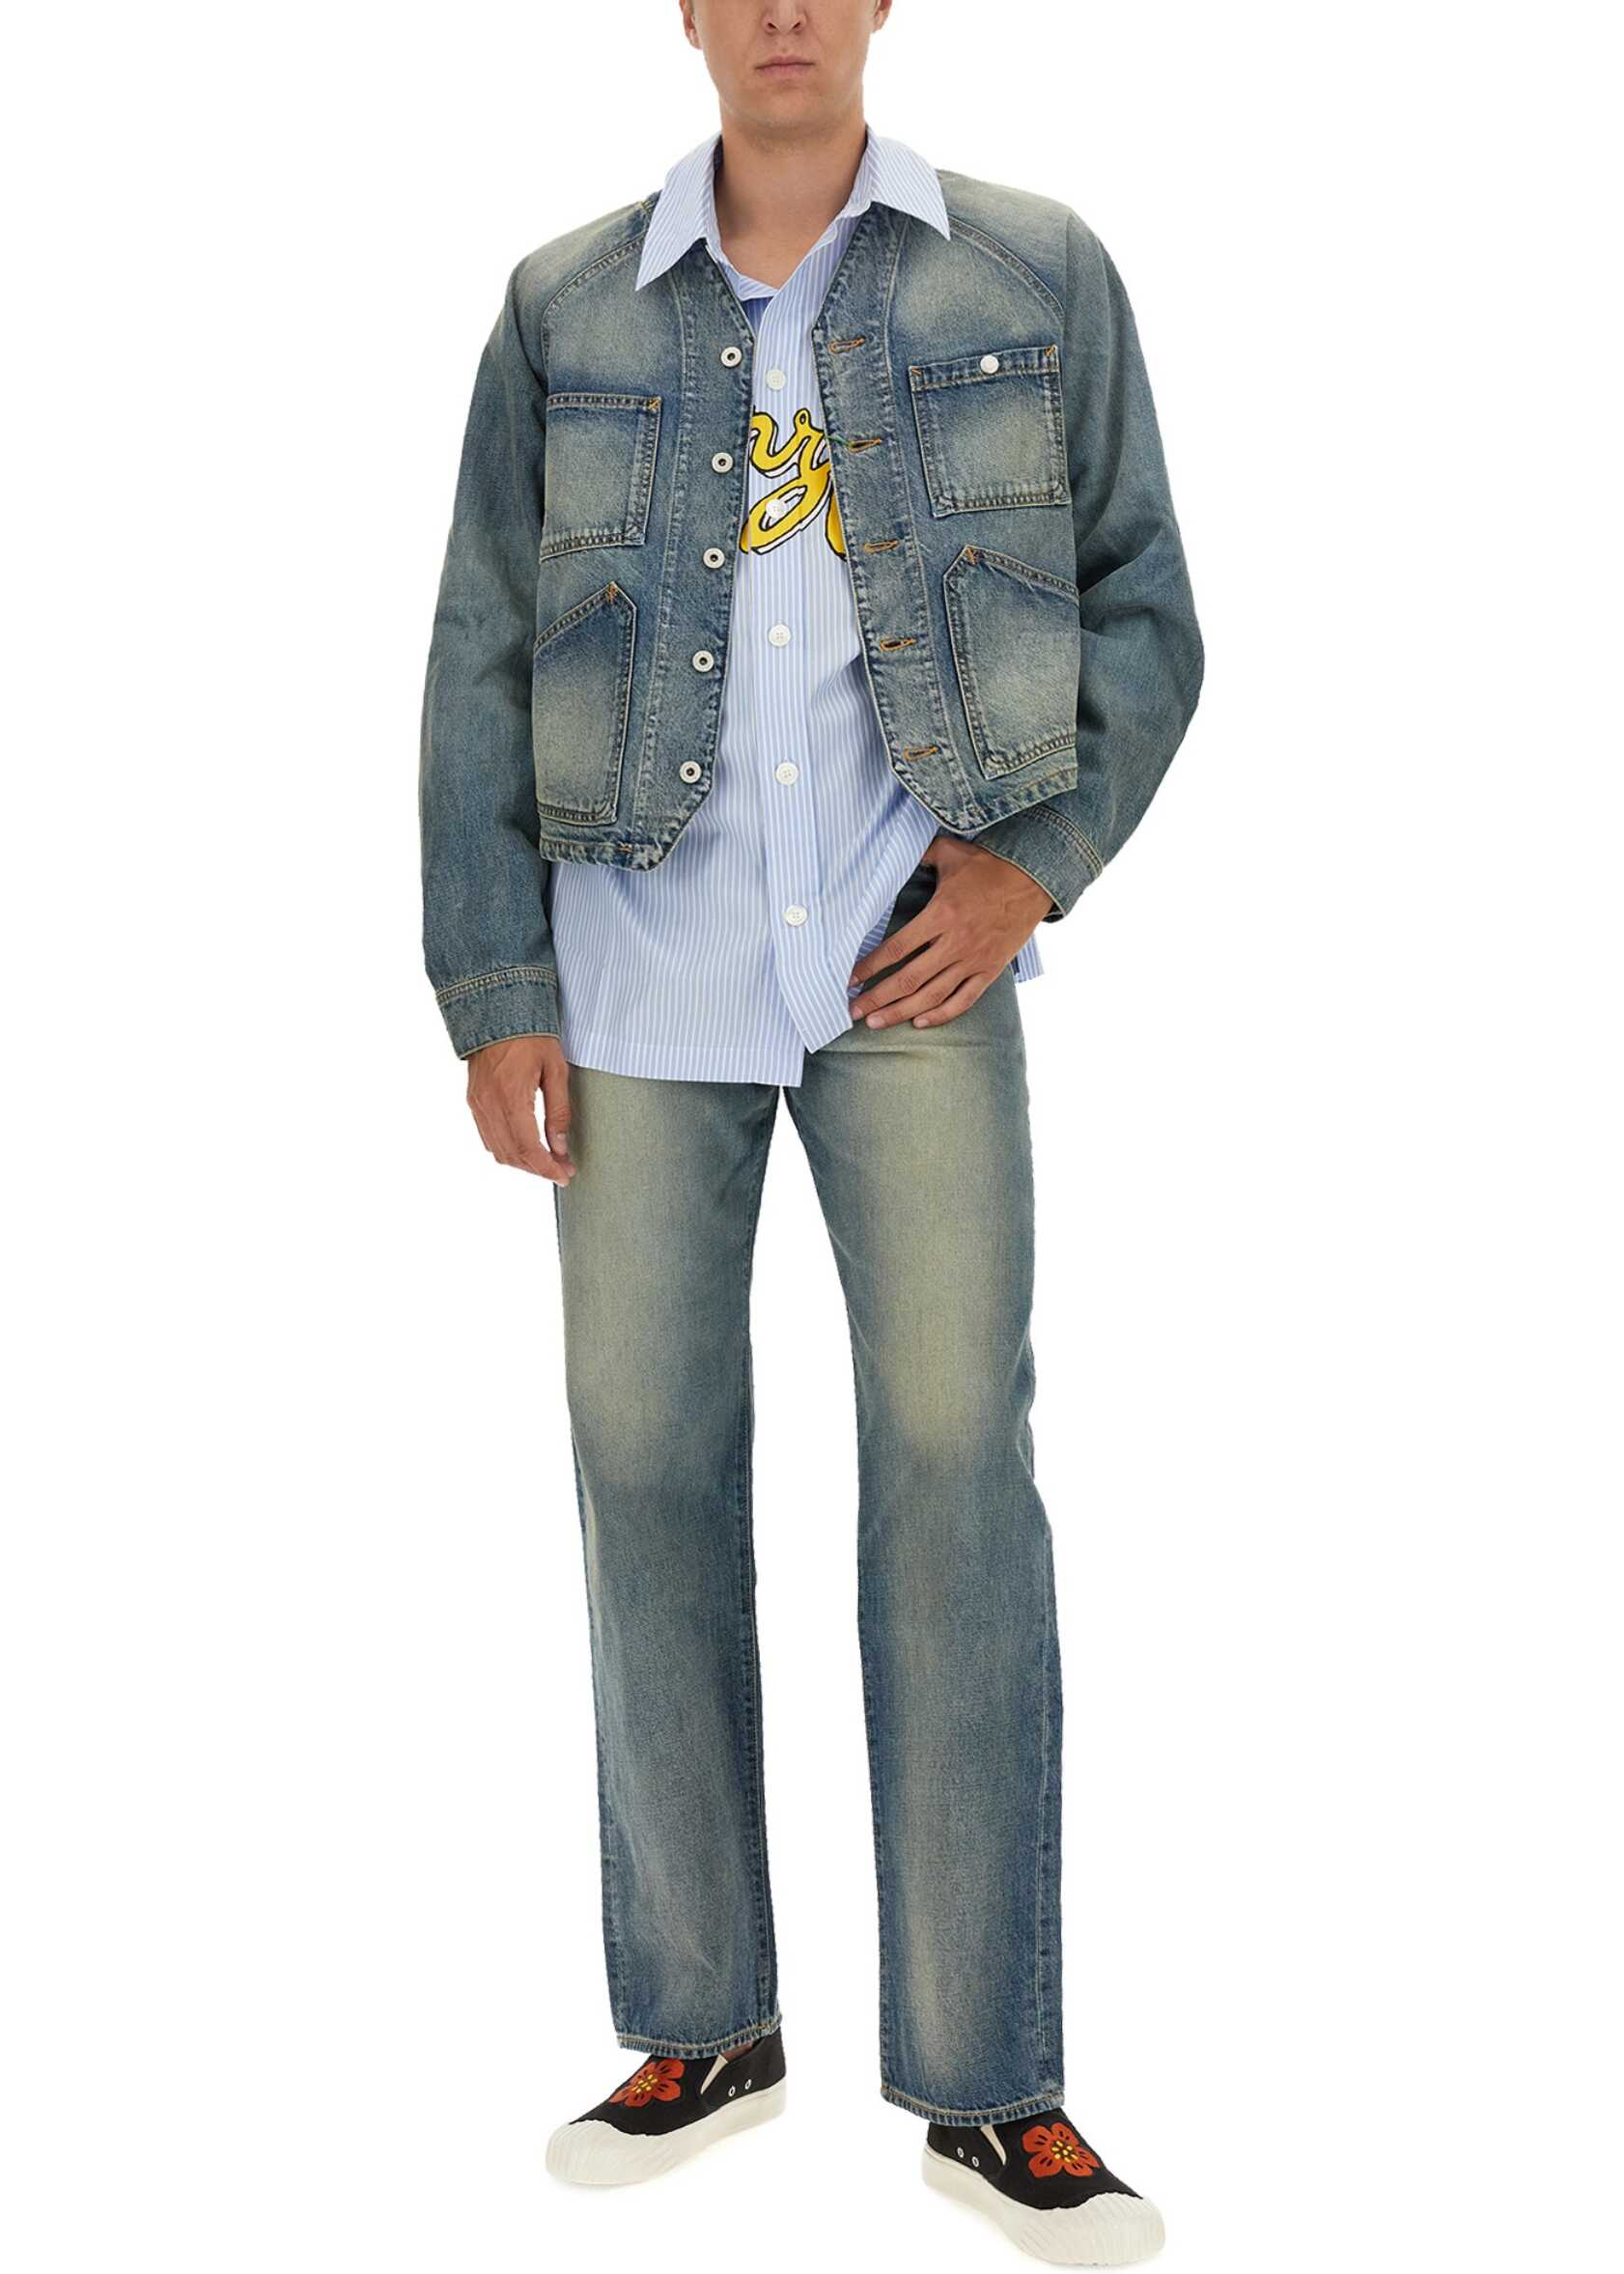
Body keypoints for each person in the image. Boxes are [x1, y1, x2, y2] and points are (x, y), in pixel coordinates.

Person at [418, 3, 1202, 2260]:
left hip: (907, 972)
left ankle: (992, 2079)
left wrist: (1029, 865)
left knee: (954, 1468)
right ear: (684, 7)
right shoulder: (567, 303)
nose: (781, 10)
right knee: (645, 1464)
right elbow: (480, 644)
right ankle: (700, 2020)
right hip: (633, 978)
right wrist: (493, 985)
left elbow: (1146, 602)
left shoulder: (1028, 269)